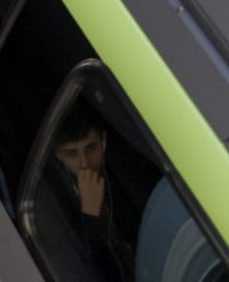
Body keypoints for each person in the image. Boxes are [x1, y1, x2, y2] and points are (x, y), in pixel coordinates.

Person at [36, 104, 153, 282]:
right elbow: (90, 269)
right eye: (71, 154)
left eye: (90, 148)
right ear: (58, 155)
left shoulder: (125, 172)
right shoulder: (55, 198)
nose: (84, 163)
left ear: (103, 142)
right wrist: (90, 214)